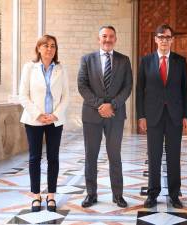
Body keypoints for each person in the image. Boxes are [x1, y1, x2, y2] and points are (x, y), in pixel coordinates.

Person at [136, 24, 187, 209]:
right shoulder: (145, 61)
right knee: (154, 156)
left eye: (168, 37)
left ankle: (175, 195)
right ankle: (153, 194)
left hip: (175, 116)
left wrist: (186, 115)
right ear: (156, 39)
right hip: (153, 116)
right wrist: (141, 116)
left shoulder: (180, 61)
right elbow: (139, 90)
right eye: (161, 37)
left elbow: (186, 89)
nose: (164, 40)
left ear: (172, 40)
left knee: (174, 157)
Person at [78, 25, 132, 208]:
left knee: (114, 155)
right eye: (104, 36)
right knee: (90, 156)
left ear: (115, 39)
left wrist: (113, 105)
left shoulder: (124, 60)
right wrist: (100, 105)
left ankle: (118, 195)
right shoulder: (87, 59)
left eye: (111, 36)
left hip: (115, 115)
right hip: (92, 115)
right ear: (98, 38)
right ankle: (91, 194)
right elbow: (82, 86)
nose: (107, 39)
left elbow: (127, 87)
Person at [19, 34, 69, 212]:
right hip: (34, 120)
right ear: (39, 48)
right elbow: (23, 95)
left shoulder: (60, 69)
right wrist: (38, 114)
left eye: (53, 46)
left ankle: (51, 196)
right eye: (46, 45)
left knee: (53, 158)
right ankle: (35, 196)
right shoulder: (29, 68)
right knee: (34, 158)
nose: (49, 49)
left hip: (55, 121)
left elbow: (66, 96)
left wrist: (54, 115)